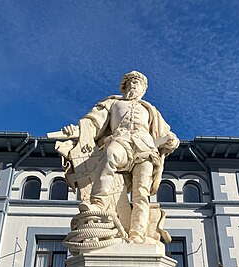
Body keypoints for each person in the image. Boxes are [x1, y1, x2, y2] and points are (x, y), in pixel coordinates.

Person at [62, 71, 179, 243]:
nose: (133, 86)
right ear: (124, 87)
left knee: (141, 192)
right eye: (129, 83)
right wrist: (78, 131)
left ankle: (137, 234)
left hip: (146, 148)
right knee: (110, 155)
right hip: (121, 140)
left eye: (136, 84)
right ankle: (98, 203)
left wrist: (172, 141)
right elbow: (93, 123)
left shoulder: (150, 110)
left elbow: (166, 135)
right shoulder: (112, 104)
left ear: (143, 90)